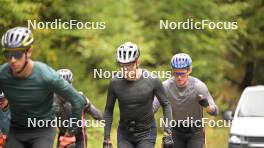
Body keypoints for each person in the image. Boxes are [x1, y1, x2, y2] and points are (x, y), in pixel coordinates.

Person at [0, 26, 84, 148]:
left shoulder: (46, 75)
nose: (12, 60)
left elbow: (78, 100)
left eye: (17, 54)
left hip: (42, 131)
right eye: (8, 54)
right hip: (16, 131)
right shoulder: (3, 74)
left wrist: (70, 133)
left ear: (28, 52)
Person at [103, 42, 173, 148]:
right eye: (122, 66)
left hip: (146, 133)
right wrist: (106, 138)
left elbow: (166, 104)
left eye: (129, 65)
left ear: (138, 62)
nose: (126, 70)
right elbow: (108, 110)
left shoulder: (152, 80)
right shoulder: (115, 82)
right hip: (124, 134)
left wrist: (167, 132)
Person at [153, 53, 219, 148]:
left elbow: (215, 111)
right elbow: (153, 107)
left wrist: (207, 107)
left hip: (195, 130)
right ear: (172, 72)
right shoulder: (166, 86)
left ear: (189, 70)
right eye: (176, 73)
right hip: (176, 129)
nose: (179, 77)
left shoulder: (198, 87)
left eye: (182, 74)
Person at [55, 68, 103, 148]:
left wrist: (87, 104)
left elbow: (98, 116)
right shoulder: (53, 100)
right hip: (63, 136)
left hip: (79, 137)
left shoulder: (79, 97)